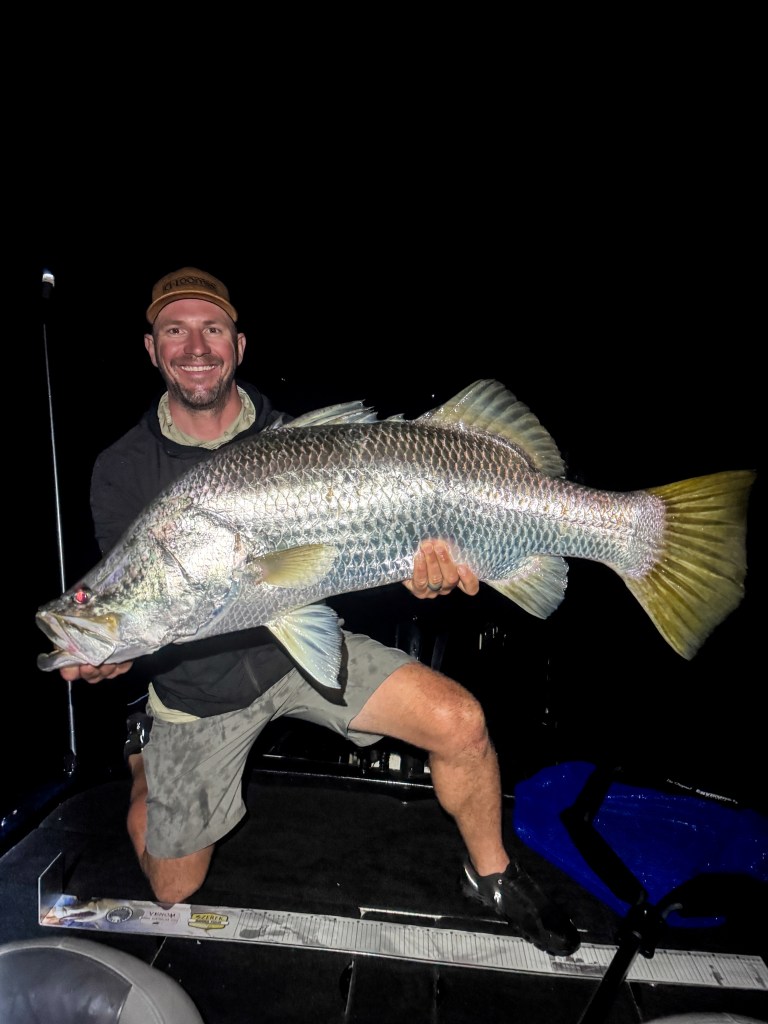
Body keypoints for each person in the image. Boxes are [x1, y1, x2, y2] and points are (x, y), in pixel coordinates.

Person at [57, 267, 580, 957]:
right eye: (175, 331)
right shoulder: (122, 468)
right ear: (152, 349)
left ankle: (493, 876)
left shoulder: (287, 437)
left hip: (297, 648)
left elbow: (363, 550)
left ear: (238, 345)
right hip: (198, 690)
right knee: (173, 887)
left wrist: (421, 576)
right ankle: (142, 756)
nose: (196, 346)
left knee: (461, 722)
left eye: (213, 329)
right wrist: (113, 643)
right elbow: (144, 594)